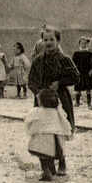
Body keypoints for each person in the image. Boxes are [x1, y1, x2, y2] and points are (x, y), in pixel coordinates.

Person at [28, 26, 78, 175]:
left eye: (51, 39)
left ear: (58, 41)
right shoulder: (38, 60)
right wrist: (38, 93)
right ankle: (47, 167)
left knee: (58, 132)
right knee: (42, 132)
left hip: (60, 101)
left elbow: (76, 77)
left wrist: (60, 83)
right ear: (42, 41)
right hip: (42, 102)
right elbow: (31, 81)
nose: (48, 42)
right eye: (45, 39)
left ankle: (62, 161)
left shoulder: (64, 59)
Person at [24, 88, 73, 181]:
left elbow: (28, 121)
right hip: (57, 140)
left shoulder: (37, 111)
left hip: (43, 139)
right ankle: (56, 169)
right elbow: (65, 123)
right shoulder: (58, 112)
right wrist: (67, 134)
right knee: (53, 154)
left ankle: (46, 171)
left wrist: (31, 131)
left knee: (43, 157)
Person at [72, 37, 92, 108]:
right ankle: (77, 102)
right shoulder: (76, 53)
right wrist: (75, 72)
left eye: (85, 43)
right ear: (79, 44)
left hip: (87, 73)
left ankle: (89, 103)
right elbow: (73, 64)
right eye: (82, 43)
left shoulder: (89, 54)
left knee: (88, 88)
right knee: (78, 88)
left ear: (87, 44)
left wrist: (91, 70)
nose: (83, 44)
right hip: (79, 73)